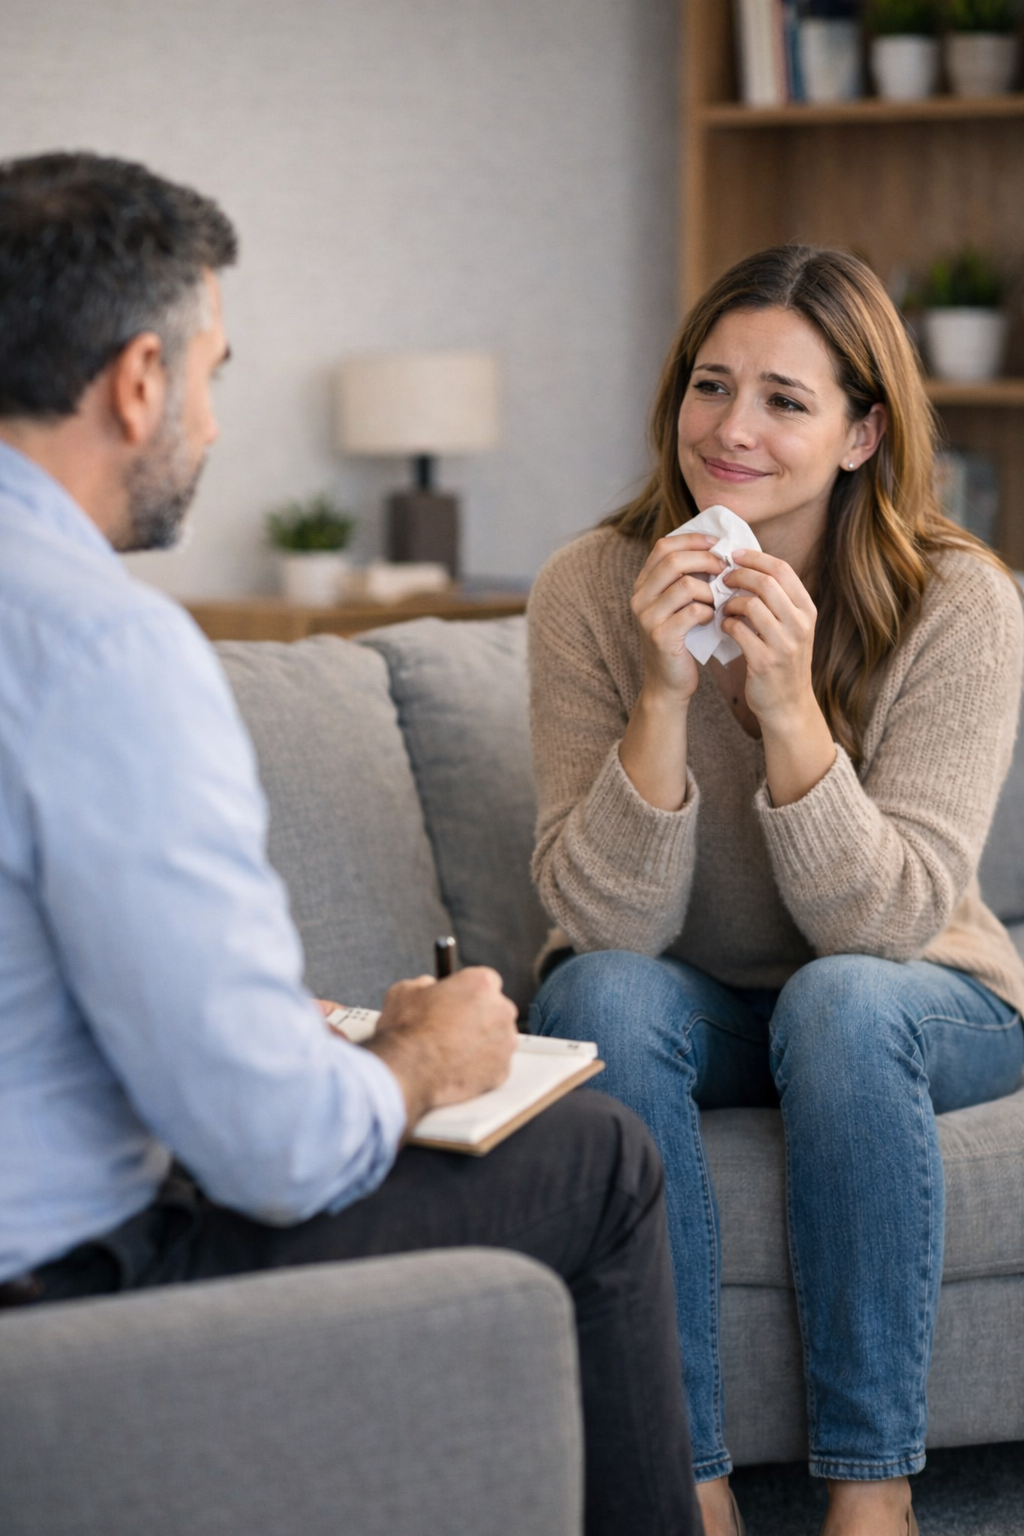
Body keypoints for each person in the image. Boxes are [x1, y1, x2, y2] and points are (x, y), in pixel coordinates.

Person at [0, 151, 703, 1536]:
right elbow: (272, 1153)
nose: (209, 419)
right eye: (213, 373)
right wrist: (419, 1059)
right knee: (598, 1162)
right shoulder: (103, 650)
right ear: (138, 381)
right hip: (67, 1293)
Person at [526, 244, 1024, 1536]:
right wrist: (660, 696)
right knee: (598, 994)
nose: (731, 430)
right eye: (710, 385)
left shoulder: (959, 600)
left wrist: (790, 710)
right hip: (698, 1006)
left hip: (924, 995)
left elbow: (894, 924)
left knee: (845, 1004)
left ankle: (874, 1495)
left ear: (864, 431)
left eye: (785, 401)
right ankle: (685, 1487)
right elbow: (606, 926)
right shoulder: (590, 589)